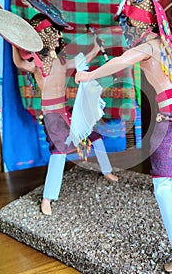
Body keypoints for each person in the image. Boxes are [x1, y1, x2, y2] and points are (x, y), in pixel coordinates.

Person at [75, 0, 172, 272]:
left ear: (136, 22)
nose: (124, 30)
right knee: (169, 173)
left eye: (126, 24)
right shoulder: (165, 43)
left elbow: (120, 60)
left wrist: (88, 73)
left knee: (161, 182)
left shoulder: (148, 46)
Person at [12, 13, 118, 216]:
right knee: (59, 153)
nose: (59, 37)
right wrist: (13, 43)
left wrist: (96, 47)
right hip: (52, 115)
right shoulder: (37, 63)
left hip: (67, 110)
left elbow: (81, 63)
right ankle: (47, 198)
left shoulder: (61, 61)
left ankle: (107, 171)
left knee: (94, 136)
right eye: (54, 33)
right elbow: (19, 64)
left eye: (58, 34)